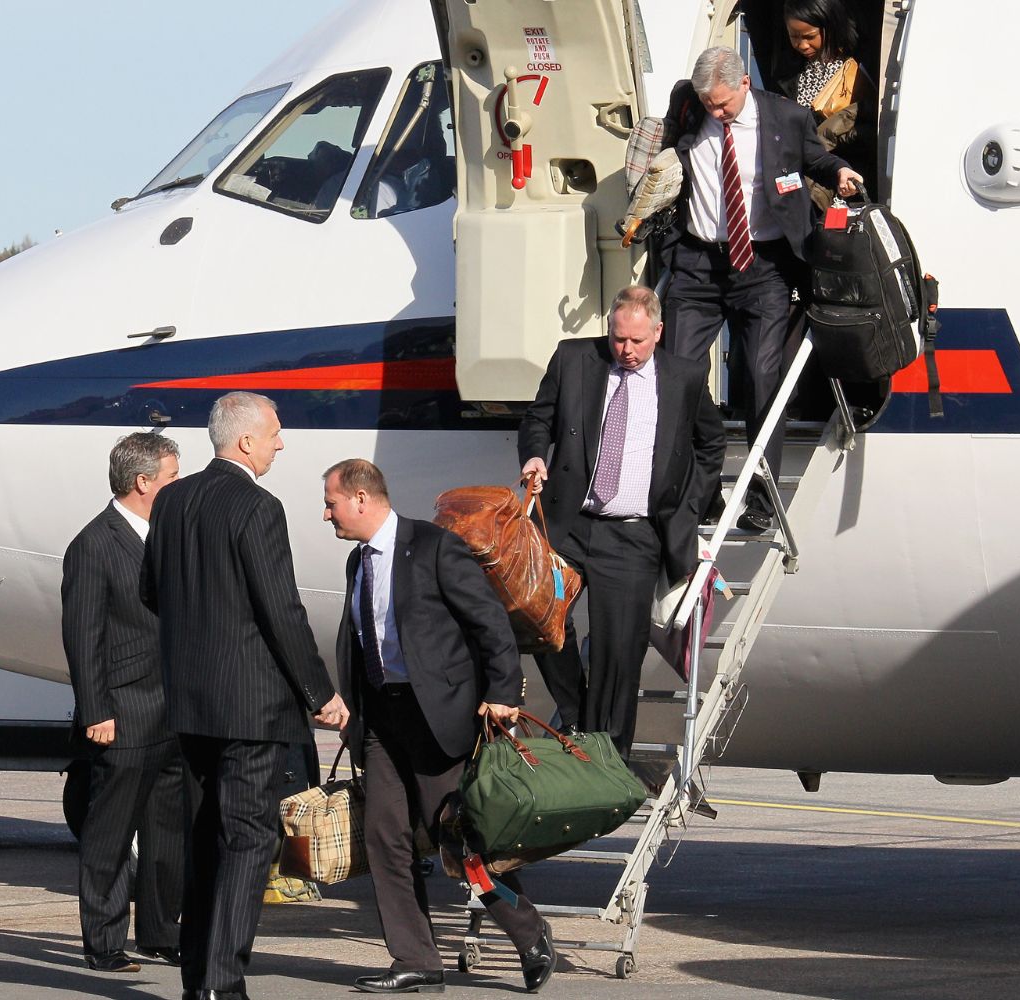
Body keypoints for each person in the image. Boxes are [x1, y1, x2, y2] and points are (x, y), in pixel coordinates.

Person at [320, 458, 556, 995]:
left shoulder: (433, 547)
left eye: (331, 502)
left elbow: (490, 623)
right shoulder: (358, 563)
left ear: (361, 498)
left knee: (462, 842)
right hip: (383, 720)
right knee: (384, 837)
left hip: (438, 718)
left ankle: (529, 931)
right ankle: (416, 960)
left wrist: (501, 694)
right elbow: (361, 645)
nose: (326, 512)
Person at [141, 392, 347, 1000]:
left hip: (191, 700)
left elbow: (153, 590)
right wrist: (319, 691)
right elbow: (279, 608)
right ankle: (221, 984)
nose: (282, 444)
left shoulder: (173, 499)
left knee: (207, 837)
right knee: (251, 837)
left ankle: (197, 976)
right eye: (276, 434)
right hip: (250, 704)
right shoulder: (259, 506)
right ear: (246, 442)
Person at [659, 46, 861, 532]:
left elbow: (813, 157)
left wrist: (839, 173)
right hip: (698, 265)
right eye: (709, 104)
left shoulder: (785, 117)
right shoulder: (687, 104)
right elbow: (667, 148)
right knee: (676, 375)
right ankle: (702, 489)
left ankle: (762, 494)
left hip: (764, 267)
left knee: (760, 375)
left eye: (724, 104)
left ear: (745, 84)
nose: (716, 112)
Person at [518, 286, 726, 759]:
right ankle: (573, 709)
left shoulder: (685, 377)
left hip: (632, 536)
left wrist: (689, 505)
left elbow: (711, 445)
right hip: (568, 525)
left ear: (658, 333)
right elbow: (538, 417)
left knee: (618, 653)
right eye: (617, 339)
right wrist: (534, 455)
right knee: (539, 615)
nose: (625, 350)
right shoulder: (574, 360)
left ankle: (606, 755)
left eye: (636, 341)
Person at [62, 432, 188, 974]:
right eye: (172, 479)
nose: (178, 488)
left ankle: (160, 932)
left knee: (167, 833)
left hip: (175, 710)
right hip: (123, 712)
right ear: (143, 483)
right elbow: (82, 636)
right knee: (111, 833)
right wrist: (97, 712)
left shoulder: (168, 535)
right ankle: (105, 940)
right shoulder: (94, 544)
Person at [778, 0, 876, 210]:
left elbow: (867, 132)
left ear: (831, 27)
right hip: (799, 176)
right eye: (794, 36)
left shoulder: (857, 67)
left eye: (809, 36)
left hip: (841, 180)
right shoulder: (788, 70)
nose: (802, 45)